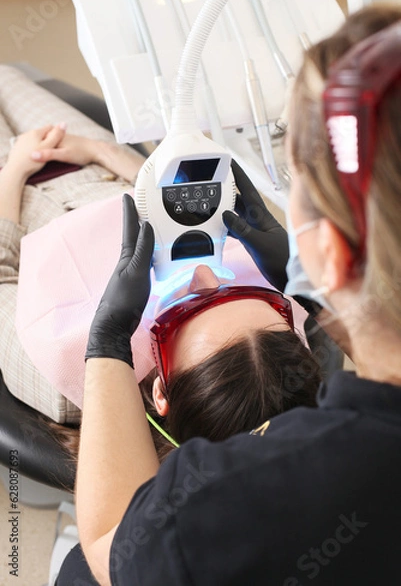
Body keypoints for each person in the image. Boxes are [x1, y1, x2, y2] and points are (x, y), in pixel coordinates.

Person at [57, 0, 401, 586]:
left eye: (298, 184)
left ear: (334, 255)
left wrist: (108, 342)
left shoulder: (233, 507)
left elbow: (110, 543)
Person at [0, 65, 320, 463]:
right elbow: (173, 204)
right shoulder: (277, 338)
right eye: (231, 288)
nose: (205, 274)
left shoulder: (63, 381)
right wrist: (104, 153)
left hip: (16, 197)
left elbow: (1, 275)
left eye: (191, 309)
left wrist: (14, 170)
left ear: (161, 393)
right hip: (109, 171)